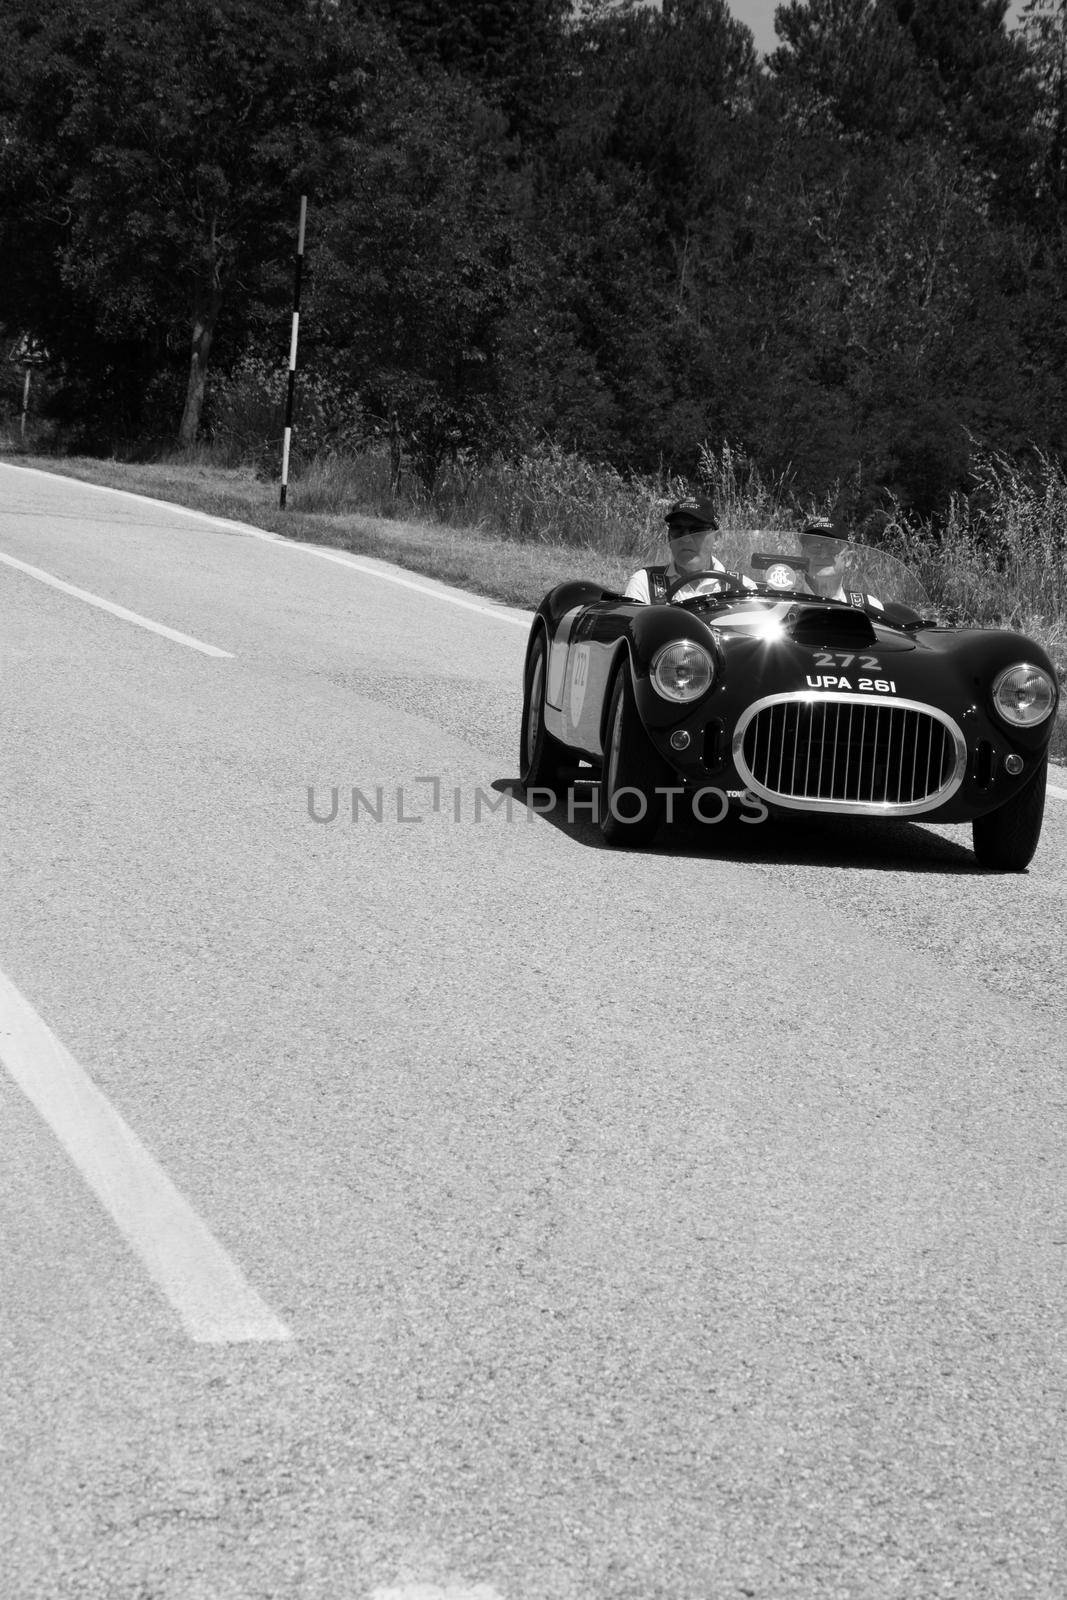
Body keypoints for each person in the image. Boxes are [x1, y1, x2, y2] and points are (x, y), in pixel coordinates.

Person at [624, 497, 728, 604]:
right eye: (677, 529)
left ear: (716, 539)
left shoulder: (741, 587)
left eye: (697, 530)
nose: (686, 539)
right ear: (669, 537)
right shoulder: (645, 584)